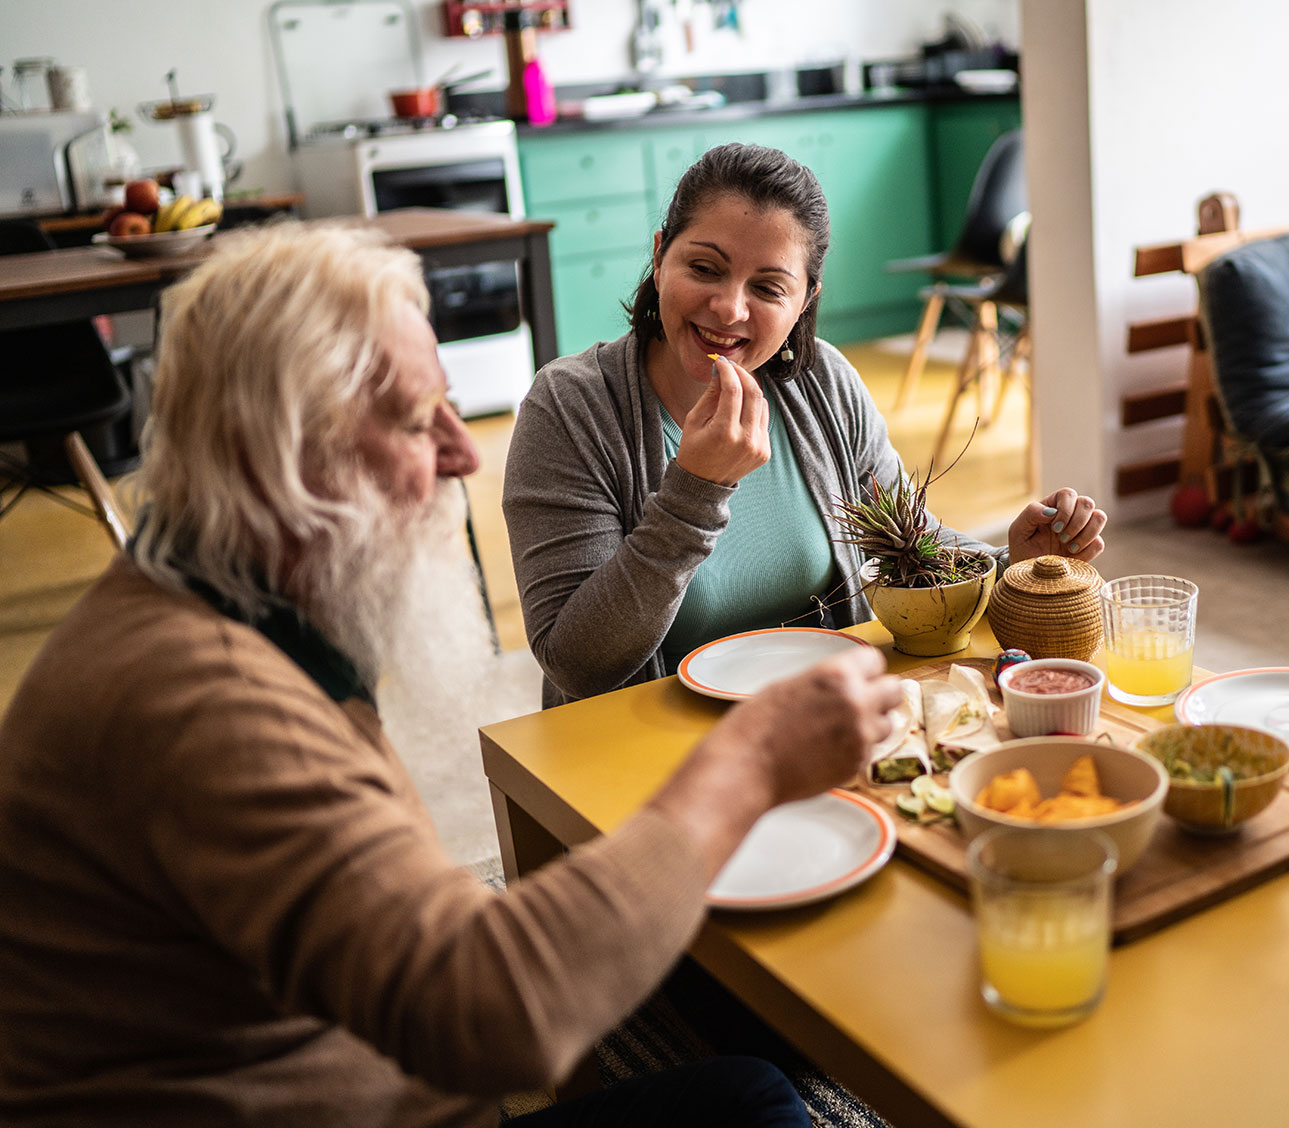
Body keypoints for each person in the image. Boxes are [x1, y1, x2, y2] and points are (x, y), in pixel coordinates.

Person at [0, 223, 904, 1127]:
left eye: (450, 406)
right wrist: (746, 765)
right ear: (270, 450)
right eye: (412, 416)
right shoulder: (206, 702)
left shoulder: (216, 598)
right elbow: (498, 1014)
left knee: (748, 1090)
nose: (462, 454)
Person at [504, 142, 1108, 706]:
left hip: (824, 730)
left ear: (804, 302)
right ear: (660, 257)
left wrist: (1010, 564)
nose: (729, 308)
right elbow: (575, 664)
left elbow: (907, 543)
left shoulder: (824, 385)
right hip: (653, 761)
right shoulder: (570, 407)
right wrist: (695, 491)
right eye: (705, 268)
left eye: (768, 287)